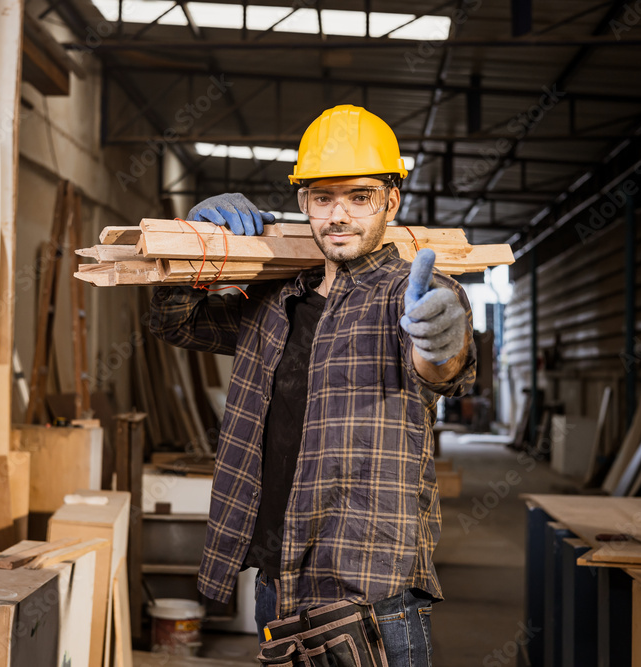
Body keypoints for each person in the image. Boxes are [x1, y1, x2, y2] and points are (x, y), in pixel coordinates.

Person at [149, 104, 476, 666]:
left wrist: (439, 344)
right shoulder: (273, 301)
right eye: (323, 198)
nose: (339, 215)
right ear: (303, 203)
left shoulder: (413, 293)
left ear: (390, 200)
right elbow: (173, 320)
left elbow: (440, 372)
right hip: (277, 586)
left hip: (372, 596)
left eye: (359, 196)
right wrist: (192, 237)